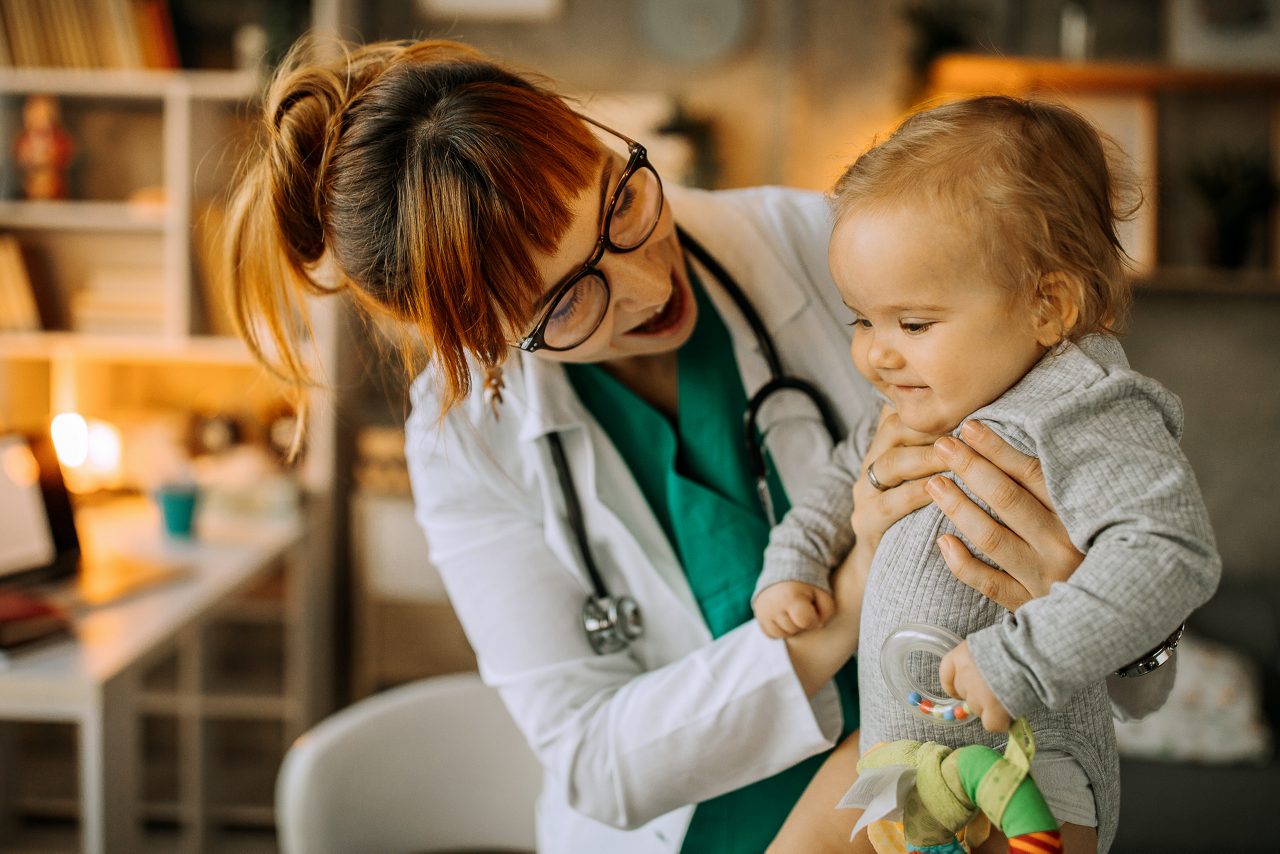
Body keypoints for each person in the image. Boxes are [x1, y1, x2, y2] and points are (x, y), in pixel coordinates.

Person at [226, 38, 1169, 853]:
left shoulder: (839, 250)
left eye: (620, 202)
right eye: (567, 302)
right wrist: (840, 605)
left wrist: (1093, 607)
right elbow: (594, 764)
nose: (643, 283)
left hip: (955, 789)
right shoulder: (466, 440)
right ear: (481, 339)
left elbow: (1133, 585)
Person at [753, 95, 1221, 853]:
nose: (877, 352)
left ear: (1047, 306)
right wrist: (796, 561)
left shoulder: (1086, 408)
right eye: (861, 320)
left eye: (912, 324)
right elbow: (844, 477)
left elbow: (1171, 555)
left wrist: (1024, 658)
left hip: (1024, 770)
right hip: (899, 758)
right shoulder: (922, 397)